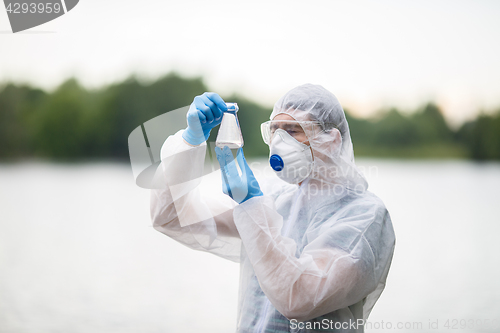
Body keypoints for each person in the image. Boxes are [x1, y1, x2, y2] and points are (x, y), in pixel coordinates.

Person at [150, 84, 395, 333]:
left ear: (331, 139)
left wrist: (251, 205)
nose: (279, 141)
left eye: (293, 130)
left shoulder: (364, 216)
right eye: (274, 130)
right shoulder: (275, 198)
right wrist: (190, 141)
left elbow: (300, 298)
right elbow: (171, 217)